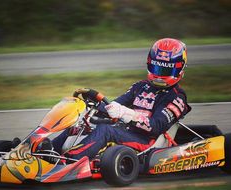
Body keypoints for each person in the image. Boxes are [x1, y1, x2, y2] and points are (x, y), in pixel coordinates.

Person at [52, 38, 191, 162]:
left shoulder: (177, 97)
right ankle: (47, 152)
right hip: (125, 131)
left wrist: (125, 113)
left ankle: (69, 161)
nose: (159, 75)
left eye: (165, 71)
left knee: (105, 131)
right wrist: (93, 108)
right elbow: (113, 106)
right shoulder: (141, 86)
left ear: (180, 69)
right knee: (77, 127)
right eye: (156, 68)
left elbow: (156, 127)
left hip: (147, 141)